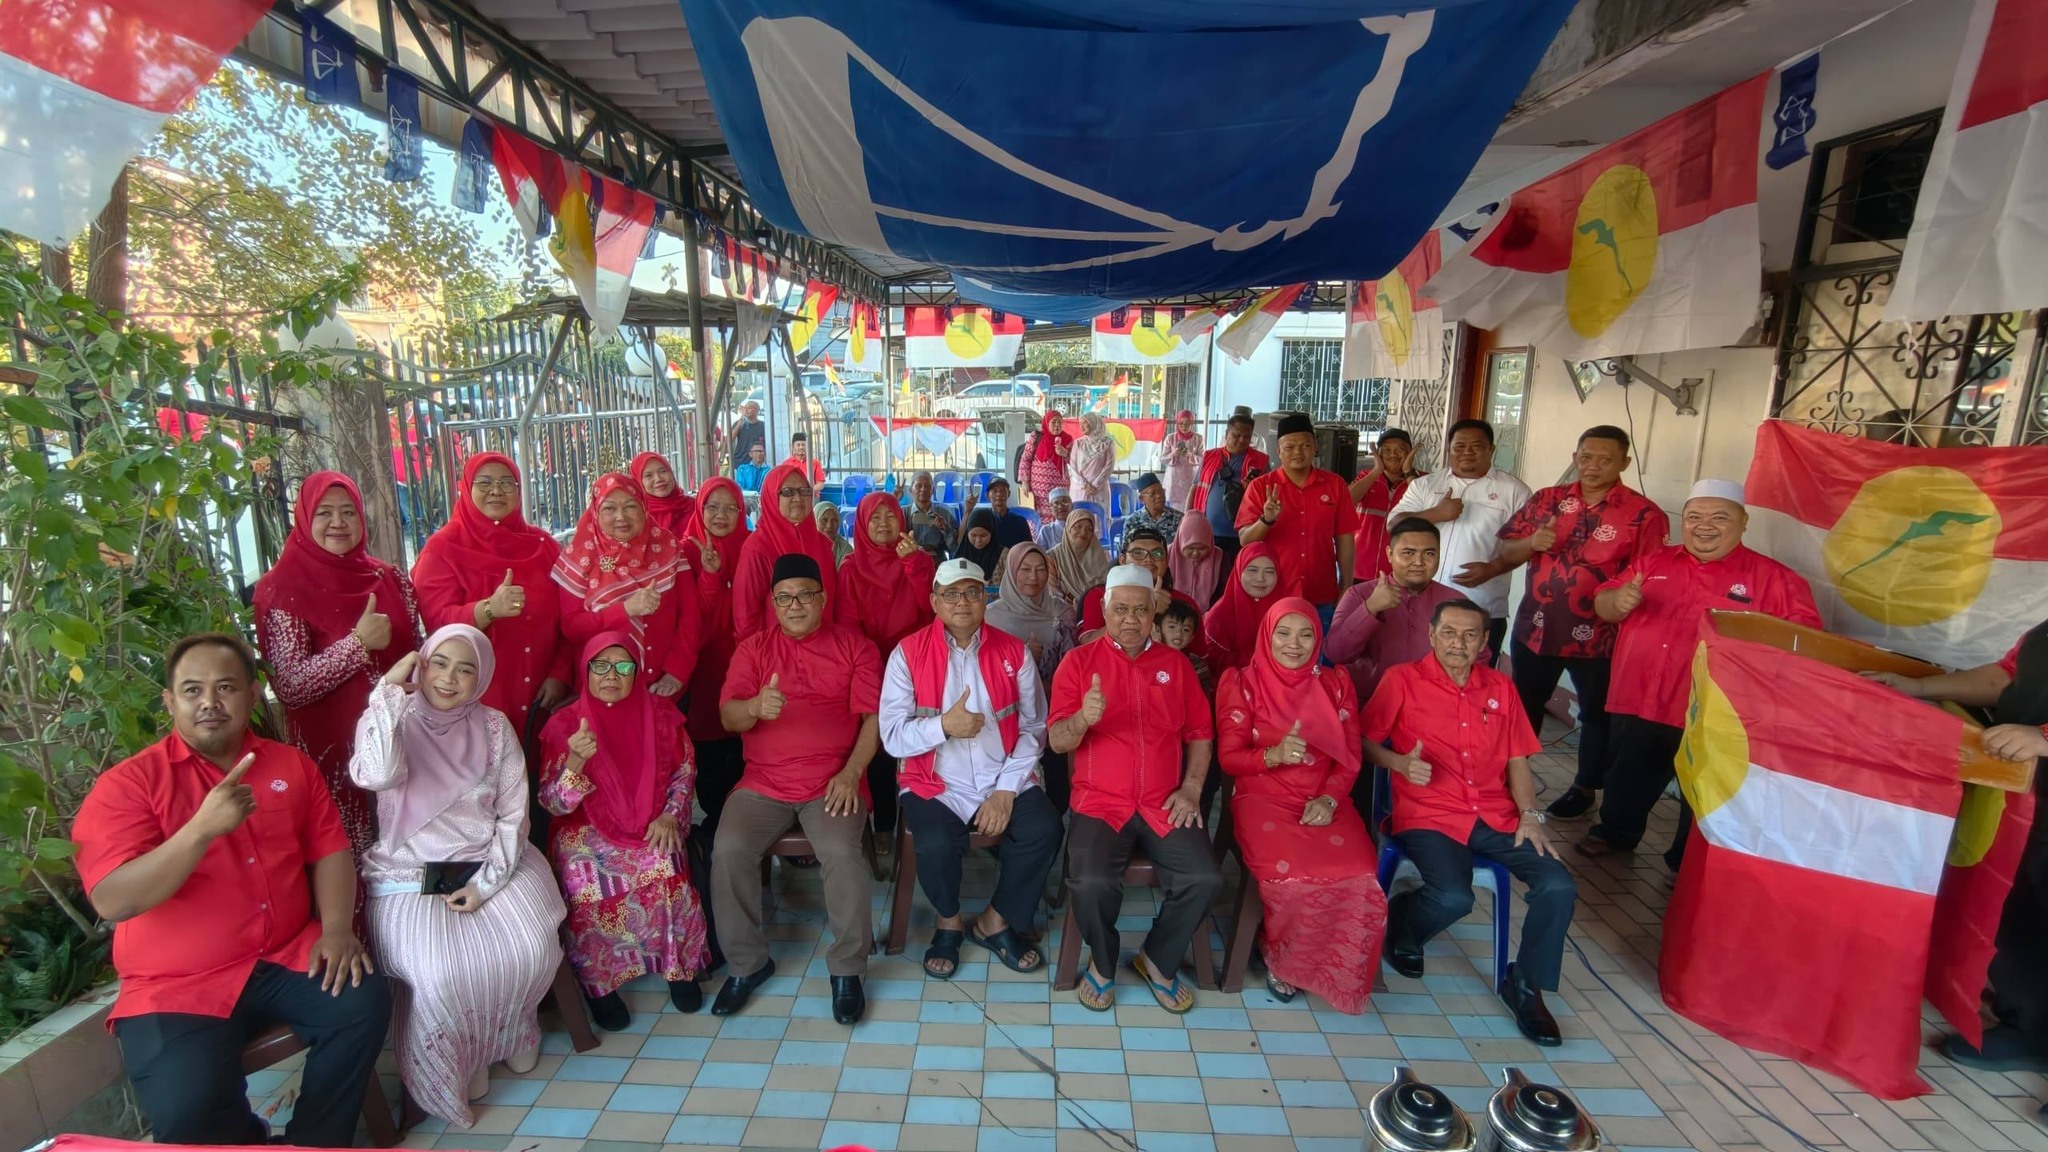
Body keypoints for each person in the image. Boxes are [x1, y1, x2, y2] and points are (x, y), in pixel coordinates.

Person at [74, 634, 388, 1147]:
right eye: (193, 690)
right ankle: (248, 1141)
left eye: (225, 688)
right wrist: (200, 830)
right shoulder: (128, 786)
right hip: (176, 983)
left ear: (252, 692)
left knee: (362, 1001)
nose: (210, 703)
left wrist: (335, 929)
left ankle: (315, 1140)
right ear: (170, 701)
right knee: (185, 1108)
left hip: (286, 955)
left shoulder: (290, 766)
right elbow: (114, 898)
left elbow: (329, 849)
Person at [350, 627, 565, 1127]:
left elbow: (514, 815)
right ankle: (460, 1061)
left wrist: (486, 883)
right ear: (419, 665)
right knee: (440, 971)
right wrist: (385, 692)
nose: (449, 678)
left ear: (482, 678)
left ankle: (513, 1033)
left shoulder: (493, 727)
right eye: (438, 663)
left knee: (530, 945)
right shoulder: (392, 718)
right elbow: (375, 775)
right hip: (410, 870)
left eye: (466, 668)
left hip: (490, 859)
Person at [1361, 600, 1574, 1046]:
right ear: (1433, 636)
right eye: (1450, 633)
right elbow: (1364, 740)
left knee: (1557, 884)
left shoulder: (1501, 687)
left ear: (1484, 643)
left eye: (1469, 635)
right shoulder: (1402, 680)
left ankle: (1526, 984)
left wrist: (1531, 816)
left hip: (1496, 814)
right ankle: (1405, 920)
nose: (1458, 643)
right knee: (1454, 896)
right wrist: (1398, 763)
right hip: (1428, 813)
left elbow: (1518, 759)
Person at [1579, 480, 1821, 869]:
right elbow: (1604, 603)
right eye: (1694, 517)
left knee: (1703, 791)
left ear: (1744, 522)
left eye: (1719, 517)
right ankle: (1615, 832)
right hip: (1641, 697)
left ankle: (1684, 860)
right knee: (1627, 772)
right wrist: (1617, 602)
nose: (1704, 526)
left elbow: (1804, 643)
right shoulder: (1653, 563)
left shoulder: (1776, 580)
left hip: (1716, 710)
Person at [1865, 622, 2048, 1073]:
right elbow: (2004, 678)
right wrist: (1921, 686)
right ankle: (2028, 1030)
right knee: (2028, 916)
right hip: (2034, 803)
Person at [1460, 427, 1669, 820]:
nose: (1592, 466)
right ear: (1575, 455)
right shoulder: (1548, 500)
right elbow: (1508, 548)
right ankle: (1507, 781)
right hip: (1537, 625)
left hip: (1601, 635)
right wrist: (1531, 544)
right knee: (1522, 707)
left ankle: (1585, 786)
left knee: (1596, 714)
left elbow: (1654, 576)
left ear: (1624, 463)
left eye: (1605, 459)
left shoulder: (1643, 514)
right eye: (1586, 457)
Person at [714, 554, 883, 1025]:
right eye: (785, 597)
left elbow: (873, 720)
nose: (795, 605)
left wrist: (852, 773)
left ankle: (848, 969)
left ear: (822, 599)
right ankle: (748, 964)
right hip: (763, 781)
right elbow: (729, 715)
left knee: (841, 851)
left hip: (833, 780)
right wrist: (753, 707)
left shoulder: (856, 647)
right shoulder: (753, 649)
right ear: (772, 602)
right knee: (727, 848)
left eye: (805, 595)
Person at [1051, 566, 1221, 1013]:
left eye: (1140, 610)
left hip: (1165, 802)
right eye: (1120, 609)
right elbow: (1056, 740)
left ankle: (1157, 958)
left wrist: (1192, 789)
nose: (1130, 619)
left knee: (1204, 877)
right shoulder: (1079, 663)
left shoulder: (1176, 665)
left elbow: (1201, 734)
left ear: (1153, 614)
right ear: (1104, 610)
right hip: (1100, 800)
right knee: (1089, 882)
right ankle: (1104, 964)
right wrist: (1083, 719)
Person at [880, 559, 1060, 979]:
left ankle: (994, 920)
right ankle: (948, 921)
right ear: (934, 602)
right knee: (936, 843)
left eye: (972, 593)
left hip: (1003, 774)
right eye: (951, 594)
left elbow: (1035, 728)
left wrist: (1006, 790)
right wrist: (944, 725)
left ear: (986, 599)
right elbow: (891, 735)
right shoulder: (906, 654)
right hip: (936, 780)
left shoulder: (1014, 651)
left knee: (1044, 828)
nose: (962, 602)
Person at [1216, 599, 1382, 1011]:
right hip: (1262, 798)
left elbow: (1350, 757)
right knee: (1294, 877)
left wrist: (1328, 798)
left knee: (1360, 873)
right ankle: (1283, 957)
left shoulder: (1336, 683)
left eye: (1306, 633)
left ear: (1318, 638)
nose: (1295, 643)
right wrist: (1271, 756)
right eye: (1284, 633)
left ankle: (1335, 966)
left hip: (1325, 798)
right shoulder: (1242, 683)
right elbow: (1229, 758)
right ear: (1267, 636)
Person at [539, 633, 711, 1029]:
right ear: (586, 671)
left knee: (666, 864)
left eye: (623, 666)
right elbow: (553, 803)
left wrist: (671, 815)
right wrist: (577, 761)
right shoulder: (563, 725)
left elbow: (685, 772)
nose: (611, 676)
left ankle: (678, 968)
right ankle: (600, 984)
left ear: (638, 672)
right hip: (586, 829)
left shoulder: (663, 715)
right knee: (584, 880)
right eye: (600, 666)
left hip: (653, 819)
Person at [254, 471, 422, 859]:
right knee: (348, 857)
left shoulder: (389, 577)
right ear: (304, 518)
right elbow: (291, 686)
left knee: (405, 853)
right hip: (334, 753)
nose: (338, 523)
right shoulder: (282, 589)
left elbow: (416, 650)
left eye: (348, 512)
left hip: (402, 738)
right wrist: (358, 644)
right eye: (325, 513)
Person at [412, 453, 570, 746]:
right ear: (466, 489)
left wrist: (560, 673)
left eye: (506, 483)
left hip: (542, 695)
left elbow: (570, 617)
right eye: (484, 483)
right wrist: (488, 610)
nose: (496, 491)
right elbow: (437, 623)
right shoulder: (442, 549)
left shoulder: (543, 546)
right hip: (477, 700)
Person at [1390, 419, 1533, 660]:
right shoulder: (1426, 485)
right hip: (1422, 603)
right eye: (1459, 446)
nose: (1467, 452)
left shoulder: (1515, 492)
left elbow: (1528, 544)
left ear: (1492, 450)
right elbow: (1393, 525)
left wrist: (1494, 568)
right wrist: (1436, 514)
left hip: (1482, 604)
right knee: (1414, 671)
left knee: (1474, 678)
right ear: (1449, 449)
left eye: (1476, 446)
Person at [840, 492, 939, 834]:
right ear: (863, 524)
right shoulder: (851, 568)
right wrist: (870, 671)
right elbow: (849, 625)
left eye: (890, 516)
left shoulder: (920, 560)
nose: (883, 524)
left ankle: (920, 822)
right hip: (868, 667)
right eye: (875, 518)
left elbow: (929, 610)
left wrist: (912, 564)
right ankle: (883, 825)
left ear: (903, 520)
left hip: (915, 666)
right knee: (878, 747)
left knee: (917, 744)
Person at [553, 472, 698, 704]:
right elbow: (571, 627)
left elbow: (690, 616)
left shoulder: (667, 546)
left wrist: (677, 671)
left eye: (630, 506)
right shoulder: (579, 557)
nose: (621, 517)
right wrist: (625, 610)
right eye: (609, 508)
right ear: (596, 513)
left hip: (663, 688)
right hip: (602, 689)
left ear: (643, 508)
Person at [1235, 412, 1358, 627]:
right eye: (1290, 447)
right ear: (1278, 450)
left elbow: (1344, 538)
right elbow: (1245, 540)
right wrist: (1266, 520)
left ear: (1315, 447)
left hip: (1321, 593)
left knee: (1319, 654)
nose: (1298, 452)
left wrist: (1346, 583)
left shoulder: (1335, 485)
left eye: (1304, 445)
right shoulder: (1260, 487)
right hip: (1273, 592)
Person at [986, 545, 1080, 812]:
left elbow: (1073, 665)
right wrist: (1022, 660)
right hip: (1006, 713)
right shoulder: (992, 617)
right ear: (1012, 572)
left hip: (1054, 706)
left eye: (1041, 569)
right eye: (1025, 569)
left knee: (1056, 780)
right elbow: (983, 673)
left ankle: (1053, 818)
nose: (1033, 576)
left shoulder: (1063, 614)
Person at [680, 478, 749, 832]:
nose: (721, 515)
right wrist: (709, 576)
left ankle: (745, 827)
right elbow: (694, 624)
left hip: (746, 666)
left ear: (742, 511)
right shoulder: (684, 552)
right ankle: (718, 830)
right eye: (712, 506)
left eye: (730, 508)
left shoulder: (752, 548)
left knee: (745, 752)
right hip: (703, 669)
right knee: (709, 758)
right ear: (700, 508)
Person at [732, 463, 842, 638]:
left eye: (804, 491)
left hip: (823, 649)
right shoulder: (757, 547)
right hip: (776, 655)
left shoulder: (822, 544)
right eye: (788, 492)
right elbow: (746, 614)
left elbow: (832, 602)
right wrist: (756, 656)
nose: (798, 498)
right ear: (771, 497)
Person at [1077, 528, 1201, 638]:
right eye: (1138, 553)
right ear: (1123, 560)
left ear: (1167, 561)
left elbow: (1199, 659)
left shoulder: (1185, 603)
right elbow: (1087, 646)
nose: (1148, 559)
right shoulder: (1100, 595)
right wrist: (1147, 607)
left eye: (1157, 554)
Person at [1189, 407, 1269, 572]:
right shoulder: (1209, 456)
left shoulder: (1261, 461)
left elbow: (1267, 495)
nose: (1241, 440)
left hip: (1243, 533)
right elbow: (1195, 488)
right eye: (1236, 435)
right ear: (1226, 434)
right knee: (1208, 577)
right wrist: (1187, 520)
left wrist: (1250, 487)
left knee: (1236, 576)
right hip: (1208, 531)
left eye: (1247, 437)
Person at [1349, 429, 1420, 581]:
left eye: (1400, 450)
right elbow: (1346, 502)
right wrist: (1376, 471)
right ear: (1378, 453)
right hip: (1360, 569)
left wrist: (1408, 472)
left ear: (1410, 452)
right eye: (1386, 450)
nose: (1392, 455)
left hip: (1403, 573)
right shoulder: (1367, 477)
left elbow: (1426, 507)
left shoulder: (1422, 481)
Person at [1204, 542, 1283, 673]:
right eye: (1252, 570)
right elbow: (1215, 665)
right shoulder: (1219, 617)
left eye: (1269, 571)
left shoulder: (1285, 611)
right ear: (1239, 570)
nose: (1260, 578)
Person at [1048, 507, 1110, 605]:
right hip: (1065, 611)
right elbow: (1052, 592)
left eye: (1089, 529)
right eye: (1078, 527)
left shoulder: (1098, 555)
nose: (1083, 533)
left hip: (1097, 606)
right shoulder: (1053, 557)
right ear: (1069, 529)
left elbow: (1107, 588)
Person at [630, 451, 696, 540]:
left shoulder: (693, 507)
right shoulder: (637, 515)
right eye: (648, 475)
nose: (658, 479)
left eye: (663, 471)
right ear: (638, 482)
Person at [1156, 599, 1213, 699]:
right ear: (1157, 629)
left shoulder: (1197, 665)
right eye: (1172, 627)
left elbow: (1202, 699)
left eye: (1186, 629)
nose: (1179, 634)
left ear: (1192, 637)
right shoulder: (1148, 660)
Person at [1167, 514, 1224, 612]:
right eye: (1190, 548)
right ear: (1181, 542)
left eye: (1202, 548)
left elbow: (1223, 593)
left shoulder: (1219, 558)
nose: (1195, 553)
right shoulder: (1168, 555)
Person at [1021, 410, 1073, 509]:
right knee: (1038, 518)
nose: (1057, 425)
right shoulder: (1036, 437)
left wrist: (1065, 453)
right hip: (1039, 491)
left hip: (1060, 488)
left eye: (1060, 422)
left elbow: (1075, 463)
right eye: (1053, 422)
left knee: (1059, 514)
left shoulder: (1067, 439)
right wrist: (1025, 482)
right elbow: (1026, 459)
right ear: (1046, 422)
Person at [1154, 409, 1204, 510]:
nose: (1184, 427)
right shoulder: (1170, 438)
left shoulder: (1198, 438)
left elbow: (1203, 459)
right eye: (1181, 424)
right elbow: (1163, 459)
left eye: (1187, 424)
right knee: (1173, 508)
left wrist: (1190, 455)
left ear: (1192, 423)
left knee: (1190, 505)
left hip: (1190, 477)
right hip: (1174, 479)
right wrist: (1174, 454)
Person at [1067, 412, 1116, 507]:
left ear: (1094, 423)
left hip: (1099, 489)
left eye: (1085, 423)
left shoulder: (1108, 443)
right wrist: (1085, 485)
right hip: (1080, 488)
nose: (1082, 427)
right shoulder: (1078, 443)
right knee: (1080, 517)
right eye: (1080, 424)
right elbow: (1073, 467)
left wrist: (1095, 485)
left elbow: (1109, 466)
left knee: (1099, 518)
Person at [905, 469, 960, 553]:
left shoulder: (944, 512)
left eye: (927, 486)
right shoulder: (904, 513)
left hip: (937, 559)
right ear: (910, 490)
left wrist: (945, 529)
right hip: (911, 559)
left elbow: (954, 548)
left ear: (933, 490)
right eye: (918, 486)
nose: (923, 489)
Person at [1126, 471, 1184, 542]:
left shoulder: (1179, 519)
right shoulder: (1132, 522)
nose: (1159, 496)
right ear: (1142, 498)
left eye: (1161, 491)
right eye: (1153, 494)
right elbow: (1126, 551)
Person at [953, 507, 1005, 581]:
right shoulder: (961, 556)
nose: (978, 540)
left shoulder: (1003, 555)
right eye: (973, 535)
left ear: (992, 533)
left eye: (983, 535)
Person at [983, 477, 1036, 550]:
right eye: (995, 491)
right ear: (987, 495)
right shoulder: (983, 520)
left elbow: (1027, 549)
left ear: (1009, 494)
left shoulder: (1020, 522)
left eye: (1003, 491)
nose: (999, 494)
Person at [814, 500, 855, 568]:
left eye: (834, 520)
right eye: (824, 520)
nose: (829, 525)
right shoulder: (804, 547)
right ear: (814, 521)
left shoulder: (845, 550)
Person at [729, 400, 765, 470]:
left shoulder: (763, 425)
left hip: (756, 464)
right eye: (745, 408)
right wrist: (740, 422)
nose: (746, 410)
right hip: (739, 462)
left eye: (749, 408)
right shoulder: (739, 424)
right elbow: (729, 439)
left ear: (757, 410)